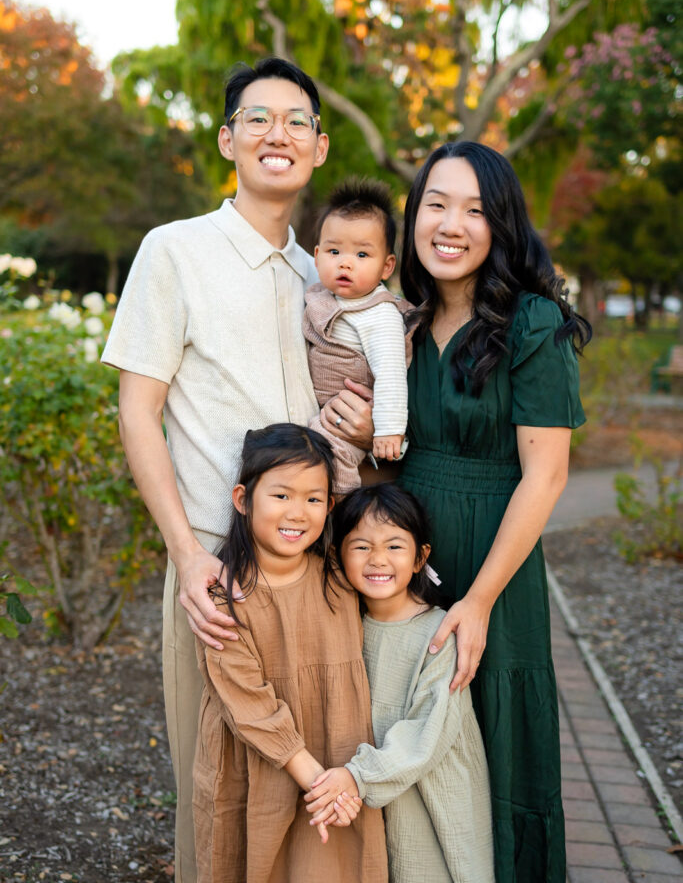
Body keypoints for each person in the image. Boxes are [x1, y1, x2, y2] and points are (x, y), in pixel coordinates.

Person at [101, 57, 371, 882]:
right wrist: (188, 557)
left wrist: (359, 431)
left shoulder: (322, 273)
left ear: (320, 147)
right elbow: (136, 411)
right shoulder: (173, 252)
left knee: (317, 808)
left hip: (324, 576)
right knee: (216, 798)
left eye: (295, 121)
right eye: (257, 119)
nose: (276, 134)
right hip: (221, 575)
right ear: (228, 140)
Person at [392, 140, 591, 882]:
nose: (451, 224)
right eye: (436, 204)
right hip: (400, 561)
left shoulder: (532, 324)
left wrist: (476, 602)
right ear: (413, 219)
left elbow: (544, 476)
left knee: (498, 745)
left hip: (491, 569)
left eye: (475, 209)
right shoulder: (396, 324)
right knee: (405, 743)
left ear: (500, 225)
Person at [193, 423, 388, 883]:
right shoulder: (223, 595)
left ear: (330, 505)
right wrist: (320, 786)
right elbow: (248, 702)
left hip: (340, 758)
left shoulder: (341, 575)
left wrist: (340, 785)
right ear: (243, 500)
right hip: (264, 762)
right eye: (281, 496)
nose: (297, 512)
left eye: (313, 499)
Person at [305, 483, 495, 883]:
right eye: (360, 546)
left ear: (419, 557)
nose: (377, 559)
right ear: (339, 553)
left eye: (394, 546)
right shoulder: (345, 627)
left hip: (426, 795)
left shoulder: (439, 636)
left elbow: (426, 731)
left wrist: (356, 777)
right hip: (365, 799)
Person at [304, 177, 414, 492]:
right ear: (317, 255)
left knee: (329, 464)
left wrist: (389, 431)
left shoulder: (380, 314)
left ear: (387, 266)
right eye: (334, 251)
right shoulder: (320, 298)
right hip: (325, 412)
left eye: (362, 255)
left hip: (350, 420)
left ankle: (341, 506)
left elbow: (391, 374)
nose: (346, 263)